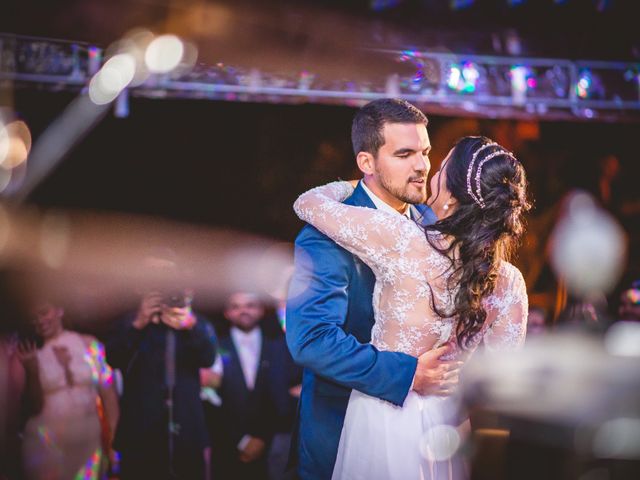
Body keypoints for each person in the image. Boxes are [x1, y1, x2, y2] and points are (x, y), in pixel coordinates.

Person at [293, 135, 530, 479]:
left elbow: (308, 203)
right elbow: (500, 387)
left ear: (450, 194)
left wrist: (363, 180)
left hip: (384, 416)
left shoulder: (402, 238)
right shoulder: (509, 282)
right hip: (448, 428)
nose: (426, 168)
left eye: (441, 164)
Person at [285, 98, 461, 480]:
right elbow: (311, 338)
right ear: (367, 163)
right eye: (404, 154)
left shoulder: (435, 225)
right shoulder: (326, 236)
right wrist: (408, 374)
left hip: (430, 431)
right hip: (349, 427)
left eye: (425, 152)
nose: (421, 166)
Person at [106, 265, 216, 480]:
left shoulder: (195, 322)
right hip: (140, 432)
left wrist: (190, 327)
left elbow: (208, 358)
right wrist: (139, 323)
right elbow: (113, 358)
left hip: (185, 432)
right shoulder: (131, 321)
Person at [20, 301, 119, 480]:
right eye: (34, 319)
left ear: (59, 310)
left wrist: (114, 442)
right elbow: (32, 407)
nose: (40, 321)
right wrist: (32, 370)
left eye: (43, 312)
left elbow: (109, 393)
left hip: (88, 441)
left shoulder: (89, 344)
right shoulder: (34, 356)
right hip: (48, 445)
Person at [208, 292, 300, 480]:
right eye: (236, 306)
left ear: (260, 310)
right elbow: (210, 399)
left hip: (273, 446)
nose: (243, 311)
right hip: (227, 446)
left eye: (250, 305)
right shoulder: (214, 347)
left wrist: (262, 438)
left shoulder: (280, 347)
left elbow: (285, 396)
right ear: (227, 313)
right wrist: (241, 441)